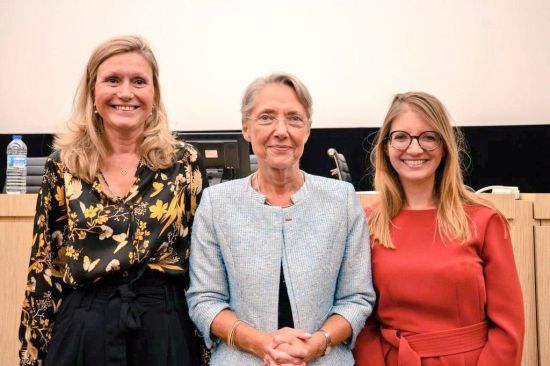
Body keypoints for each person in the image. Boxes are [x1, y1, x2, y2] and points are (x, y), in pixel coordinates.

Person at [18, 35, 208, 366]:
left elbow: (201, 264)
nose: (125, 92)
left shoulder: (184, 163)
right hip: (84, 328)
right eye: (112, 80)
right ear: (93, 93)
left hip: (164, 328)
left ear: (153, 95)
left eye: (138, 81)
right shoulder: (63, 165)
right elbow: (45, 267)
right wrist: (32, 355)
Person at [185, 72, 375, 365]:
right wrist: (262, 345)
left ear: (308, 130)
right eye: (266, 117)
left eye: (294, 118)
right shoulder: (216, 204)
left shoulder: (341, 200)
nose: (281, 130)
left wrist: (316, 344)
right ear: (246, 128)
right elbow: (205, 300)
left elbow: (357, 298)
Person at [354, 92, 524, 365]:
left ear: (445, 146)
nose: (414, 148)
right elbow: (362, 320)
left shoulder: (484, 220)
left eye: (428, 137)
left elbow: (508, 328)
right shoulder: (366, 223)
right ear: (385, 146)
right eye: (401, 137)